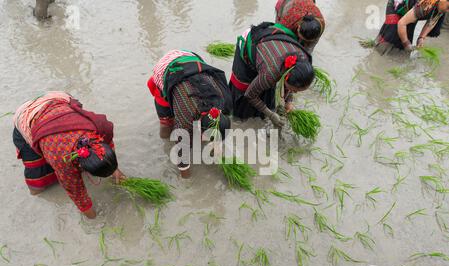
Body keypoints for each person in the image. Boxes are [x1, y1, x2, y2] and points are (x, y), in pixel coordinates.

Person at [12, 92, 126, 219]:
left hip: (58, 100)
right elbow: (75, 189)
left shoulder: (100, 128)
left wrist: (115, 170)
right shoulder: (62, 159)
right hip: (27, 116)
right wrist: (92, 217)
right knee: (38, 185)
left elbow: (106, 146)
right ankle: (36, 192)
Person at [147, 50, 232, 178]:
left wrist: (217, 148)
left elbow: (216, 127)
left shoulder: (221, 101)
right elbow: (182, 151)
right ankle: (164, 144)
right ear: (200, 128)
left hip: (191, 61)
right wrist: (187, 180)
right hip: (166, 70)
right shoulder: (187, 117)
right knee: (166, 124)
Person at [229, 22, 315, 126]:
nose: (295, 93)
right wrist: (270, 114)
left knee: (267, 87)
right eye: (294, 90)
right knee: (245, 94)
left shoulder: (304, 60)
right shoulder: (270, 73)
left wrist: (289, 102)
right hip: (251, 42)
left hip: (272, 43)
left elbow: (292, 79)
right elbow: (249, 95)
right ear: (286, 77)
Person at [376, 0, 449, 54]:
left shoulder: (441, 9)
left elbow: (431, 22)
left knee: (405, 48)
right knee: (390, 37)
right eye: (448, 7)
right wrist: (406, 43)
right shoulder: (425, 5)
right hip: (396, 5)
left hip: (411, 10)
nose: (448, 10)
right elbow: (401, 23)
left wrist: (421, 38)